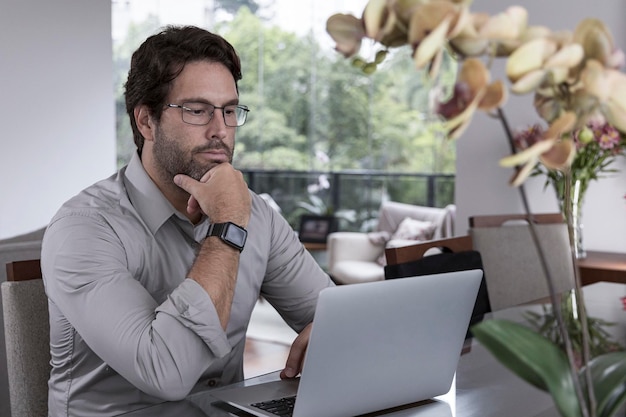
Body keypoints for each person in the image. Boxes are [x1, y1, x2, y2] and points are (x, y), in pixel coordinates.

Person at [41, 25, 334, 416]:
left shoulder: (256, 215)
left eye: (229, 111)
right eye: (197, 111)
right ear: (146, 121)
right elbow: (167, 374)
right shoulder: (83, 229)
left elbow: (335, 317)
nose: (221, 131)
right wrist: (227, 225)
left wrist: (337, 334)